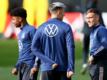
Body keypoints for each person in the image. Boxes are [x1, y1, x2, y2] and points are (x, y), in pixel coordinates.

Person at [31, 2, 75, 80]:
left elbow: (34, 48)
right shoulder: (66, 27)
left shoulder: (41, 28)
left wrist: (48, 62)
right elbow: (70, 47)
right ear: (58, 11)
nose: (64, 14)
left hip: (46, 69)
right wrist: (70, 68)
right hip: (63, 69)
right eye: (63, 11)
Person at [10, 7, 39, 80]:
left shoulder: (32, 30)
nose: (12, 22)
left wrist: (35, 65)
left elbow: (38, 48)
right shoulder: (20, 33)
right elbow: (22, 52)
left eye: (13, 19)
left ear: (20, 19)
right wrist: (16, 66)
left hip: (30, 65)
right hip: (22, 66)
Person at [86, 8, 107, 80]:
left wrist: (94, 55)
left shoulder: (101, 29)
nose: (88, 20)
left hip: (101, 65)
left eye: (90, 17)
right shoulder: (93, 30)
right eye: (87, 18)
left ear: (97, 18)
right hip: (94, 66)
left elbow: (105, 45)